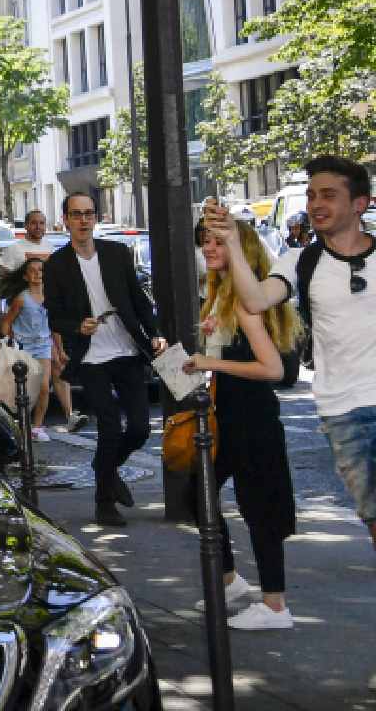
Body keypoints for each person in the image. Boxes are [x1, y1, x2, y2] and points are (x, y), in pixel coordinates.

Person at [215, 155, 376, 586]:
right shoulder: (300, 261)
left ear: (360, 203)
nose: (315, 203)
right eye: (311, 195)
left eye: (328, 194)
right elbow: (253, 301)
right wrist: (232, 242)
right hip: (345, 412)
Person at [184, 217, 301, 630]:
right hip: (230, 415)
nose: (209, 249)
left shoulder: (240, 301)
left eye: (218, 243)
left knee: (260, 508)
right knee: (198, 494)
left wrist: (210, 361)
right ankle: (230, 581)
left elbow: (274, 370)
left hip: (252, 417)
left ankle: (275, 606)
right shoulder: (221, 295)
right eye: (205, 242)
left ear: (241, 248)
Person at [44, 191, 166, 527]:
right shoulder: (56, 265)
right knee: (109, 427)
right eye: (76, 214)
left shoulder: (116, 253)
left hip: (127, 350)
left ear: (95, 218)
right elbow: (54, 317)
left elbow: (139, 300)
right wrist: (76, 326)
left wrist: (154, 332)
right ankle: (104, 502)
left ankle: (106, 469)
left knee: (141, 427)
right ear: (65, 220)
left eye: (89, 214)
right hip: (91, 357)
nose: (83, 220)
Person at [1, 259, 86, 441]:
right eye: (32, 271)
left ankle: (37, 427)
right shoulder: (21, 299)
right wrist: (9, 341)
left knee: (44, 388)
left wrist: (60, 349)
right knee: (26, 389)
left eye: (41, 270)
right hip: (24, 347)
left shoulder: (50, 297)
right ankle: (22, 423)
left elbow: (54, 326)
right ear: (25, 277)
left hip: (43, 345)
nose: (37, 274)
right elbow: (7, 322)